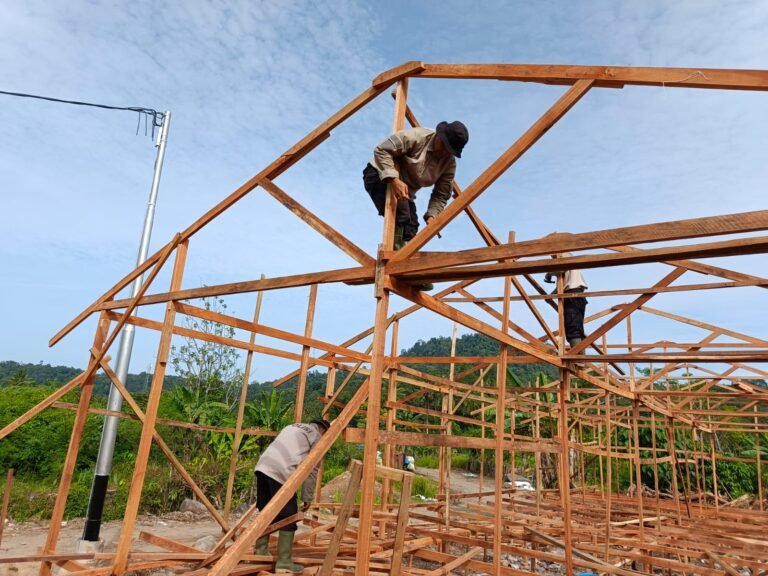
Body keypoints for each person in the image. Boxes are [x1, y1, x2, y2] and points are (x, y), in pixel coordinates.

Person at [363, 121, 469, 252]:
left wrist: (432, 215)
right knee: (401, 217)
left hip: (405, 193)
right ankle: (393, 259)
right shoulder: (417, 137)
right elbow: (382, 150)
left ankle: (401, 258)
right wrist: (394, 179)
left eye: (450, 152)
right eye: (444, 147)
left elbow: (441, 195)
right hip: (379, 175)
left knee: (411, 228)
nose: (445, 153)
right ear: (438, 136)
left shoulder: (449, 165)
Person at [253, 418, 330, 573]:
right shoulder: (317, 436)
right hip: (280, 472)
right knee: (289, 517)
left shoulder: (292, 427)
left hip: (263, 467)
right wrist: (307, 498)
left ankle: (260, 551)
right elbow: (312, 470)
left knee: (266, 512)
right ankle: (284, 562)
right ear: (323, 431)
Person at [544, 260, 588, 349]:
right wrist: (551, 296)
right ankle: (580, 355)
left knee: (572, 328)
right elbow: (562, 286)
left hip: (571, 296)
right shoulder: (571, 269)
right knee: (578, 328)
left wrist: (549, 274)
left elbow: (561, 269)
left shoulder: (564, 258)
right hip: (579, 296)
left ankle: (577, 355)